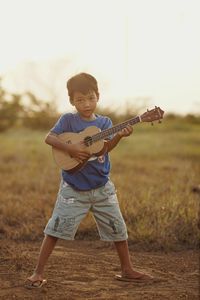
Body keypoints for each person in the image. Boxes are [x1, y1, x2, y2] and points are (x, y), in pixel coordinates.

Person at [25, 73, 152, 289]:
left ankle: (127, 269)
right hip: (73, 188)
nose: (86, 103)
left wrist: (119, 136)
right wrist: (70, 147)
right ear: (72, 101)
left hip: (102, 187)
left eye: (91, 98)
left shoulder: (105, 123)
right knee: (55, 228)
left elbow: (104, 148)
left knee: (118, 229)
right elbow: (49, 137)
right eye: (80, 100)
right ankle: (37, 273)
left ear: (98, 97)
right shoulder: (67, 120)